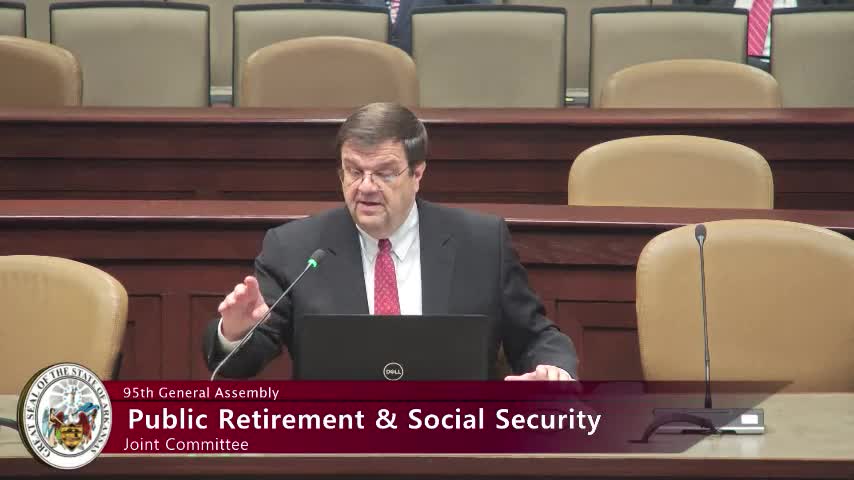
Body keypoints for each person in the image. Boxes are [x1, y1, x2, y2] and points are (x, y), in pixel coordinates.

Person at [203, 102, 577, 381]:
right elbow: (239, 365)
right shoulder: (295, 248)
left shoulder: (480, 243)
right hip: (336, 439)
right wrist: (234, 333)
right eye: (354, 171)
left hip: (455, 436)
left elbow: (535, 336)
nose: (365, 187)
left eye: (384, 173)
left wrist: (553, 370)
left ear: (417, 174)